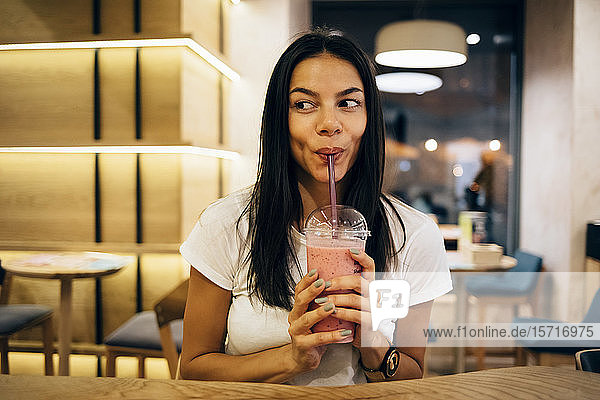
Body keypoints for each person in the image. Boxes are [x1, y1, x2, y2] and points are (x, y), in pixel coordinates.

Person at [179, 29, 452, 385]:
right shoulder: (226, 223)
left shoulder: (414, 235)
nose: (329, 124)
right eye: (304, 104)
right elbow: (193, 369)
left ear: (370, 118)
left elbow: (413, 376)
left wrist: (373, 342)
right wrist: (291, 358)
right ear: (281, 118)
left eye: (348, 103)